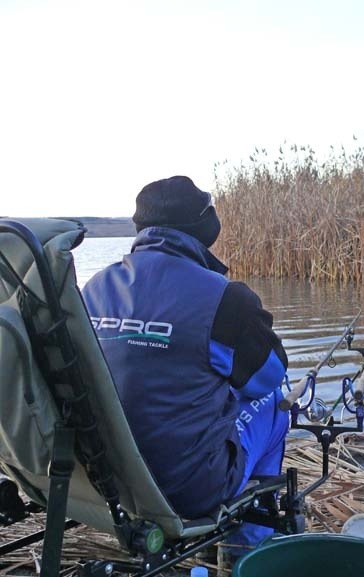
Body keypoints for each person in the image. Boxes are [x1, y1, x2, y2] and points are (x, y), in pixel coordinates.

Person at [82, 175, 290, 550]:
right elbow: (269, 376)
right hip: (190, 489)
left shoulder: (94, 287)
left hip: (107, 483)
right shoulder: (224, 298)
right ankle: (250, 545)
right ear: (203, 226)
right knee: (276, 405)